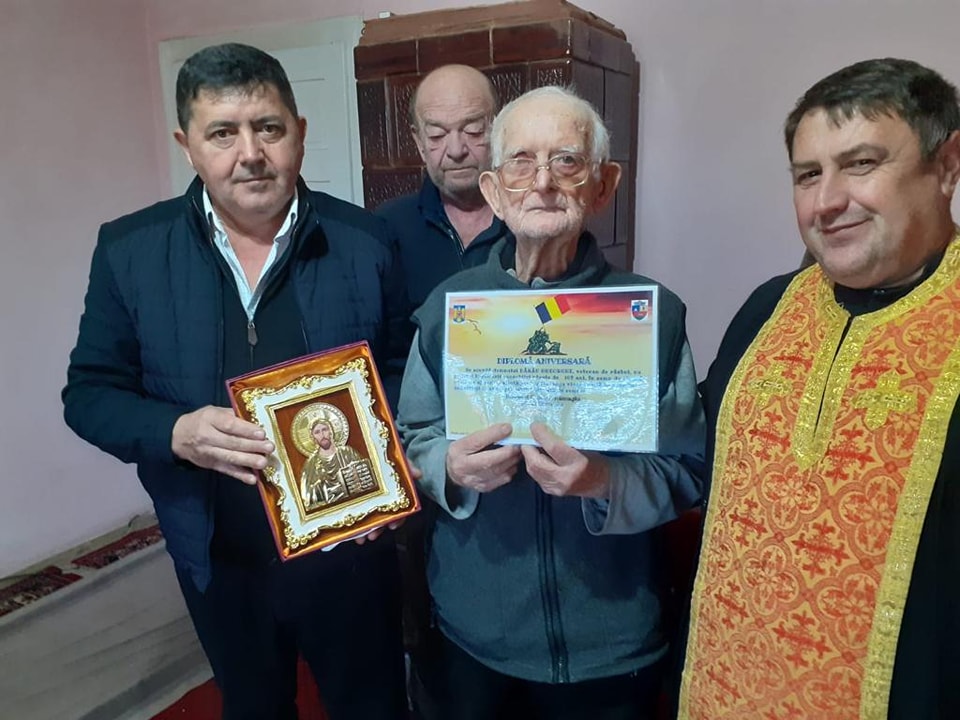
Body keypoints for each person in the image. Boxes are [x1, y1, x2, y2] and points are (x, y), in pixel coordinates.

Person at [62, 43, 410, 719]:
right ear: (187, 146)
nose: (250, 153)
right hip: (216, 555)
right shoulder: (129, 251)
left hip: (350, 550)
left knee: (372, 706)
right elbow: (90, 394)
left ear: (298, 133)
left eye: (268, 128)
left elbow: (400, 368)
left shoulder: (365, 240)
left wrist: (385, 462)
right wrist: (175, 432)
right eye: (222, 133)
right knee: (253, 707)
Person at [396, 86, 705, 720]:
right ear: (493, 191)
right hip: (475, 633)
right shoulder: (446, 310)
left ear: (603, 185)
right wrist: (449, 467)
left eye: (566, 161)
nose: (542, 183)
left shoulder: (652, 316)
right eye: (521, 162)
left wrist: (604, 481)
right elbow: (411, 440)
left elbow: (688, 469)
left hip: (612, 641)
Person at [677, 58, 960, 719]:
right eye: (808, 175)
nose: (827, 201)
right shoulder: (766, 309)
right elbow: (695, 455)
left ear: (947, 165)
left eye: (860, 164)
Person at [375, 64, 512, 311]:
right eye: (437, 135)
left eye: (473, 130)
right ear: (419, 142)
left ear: (497, 130)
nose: (456, 150)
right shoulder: (388, 226)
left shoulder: (528, 219)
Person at [298, 412, 376, 508]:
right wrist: (322, 485)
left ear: (331, 431)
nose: (322, 434)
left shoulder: (347, 452)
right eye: (317, 432)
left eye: (324, 429)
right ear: (313, 438)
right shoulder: (311, 464)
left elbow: (366, 477)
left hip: (359, 504)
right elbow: (307, 497)